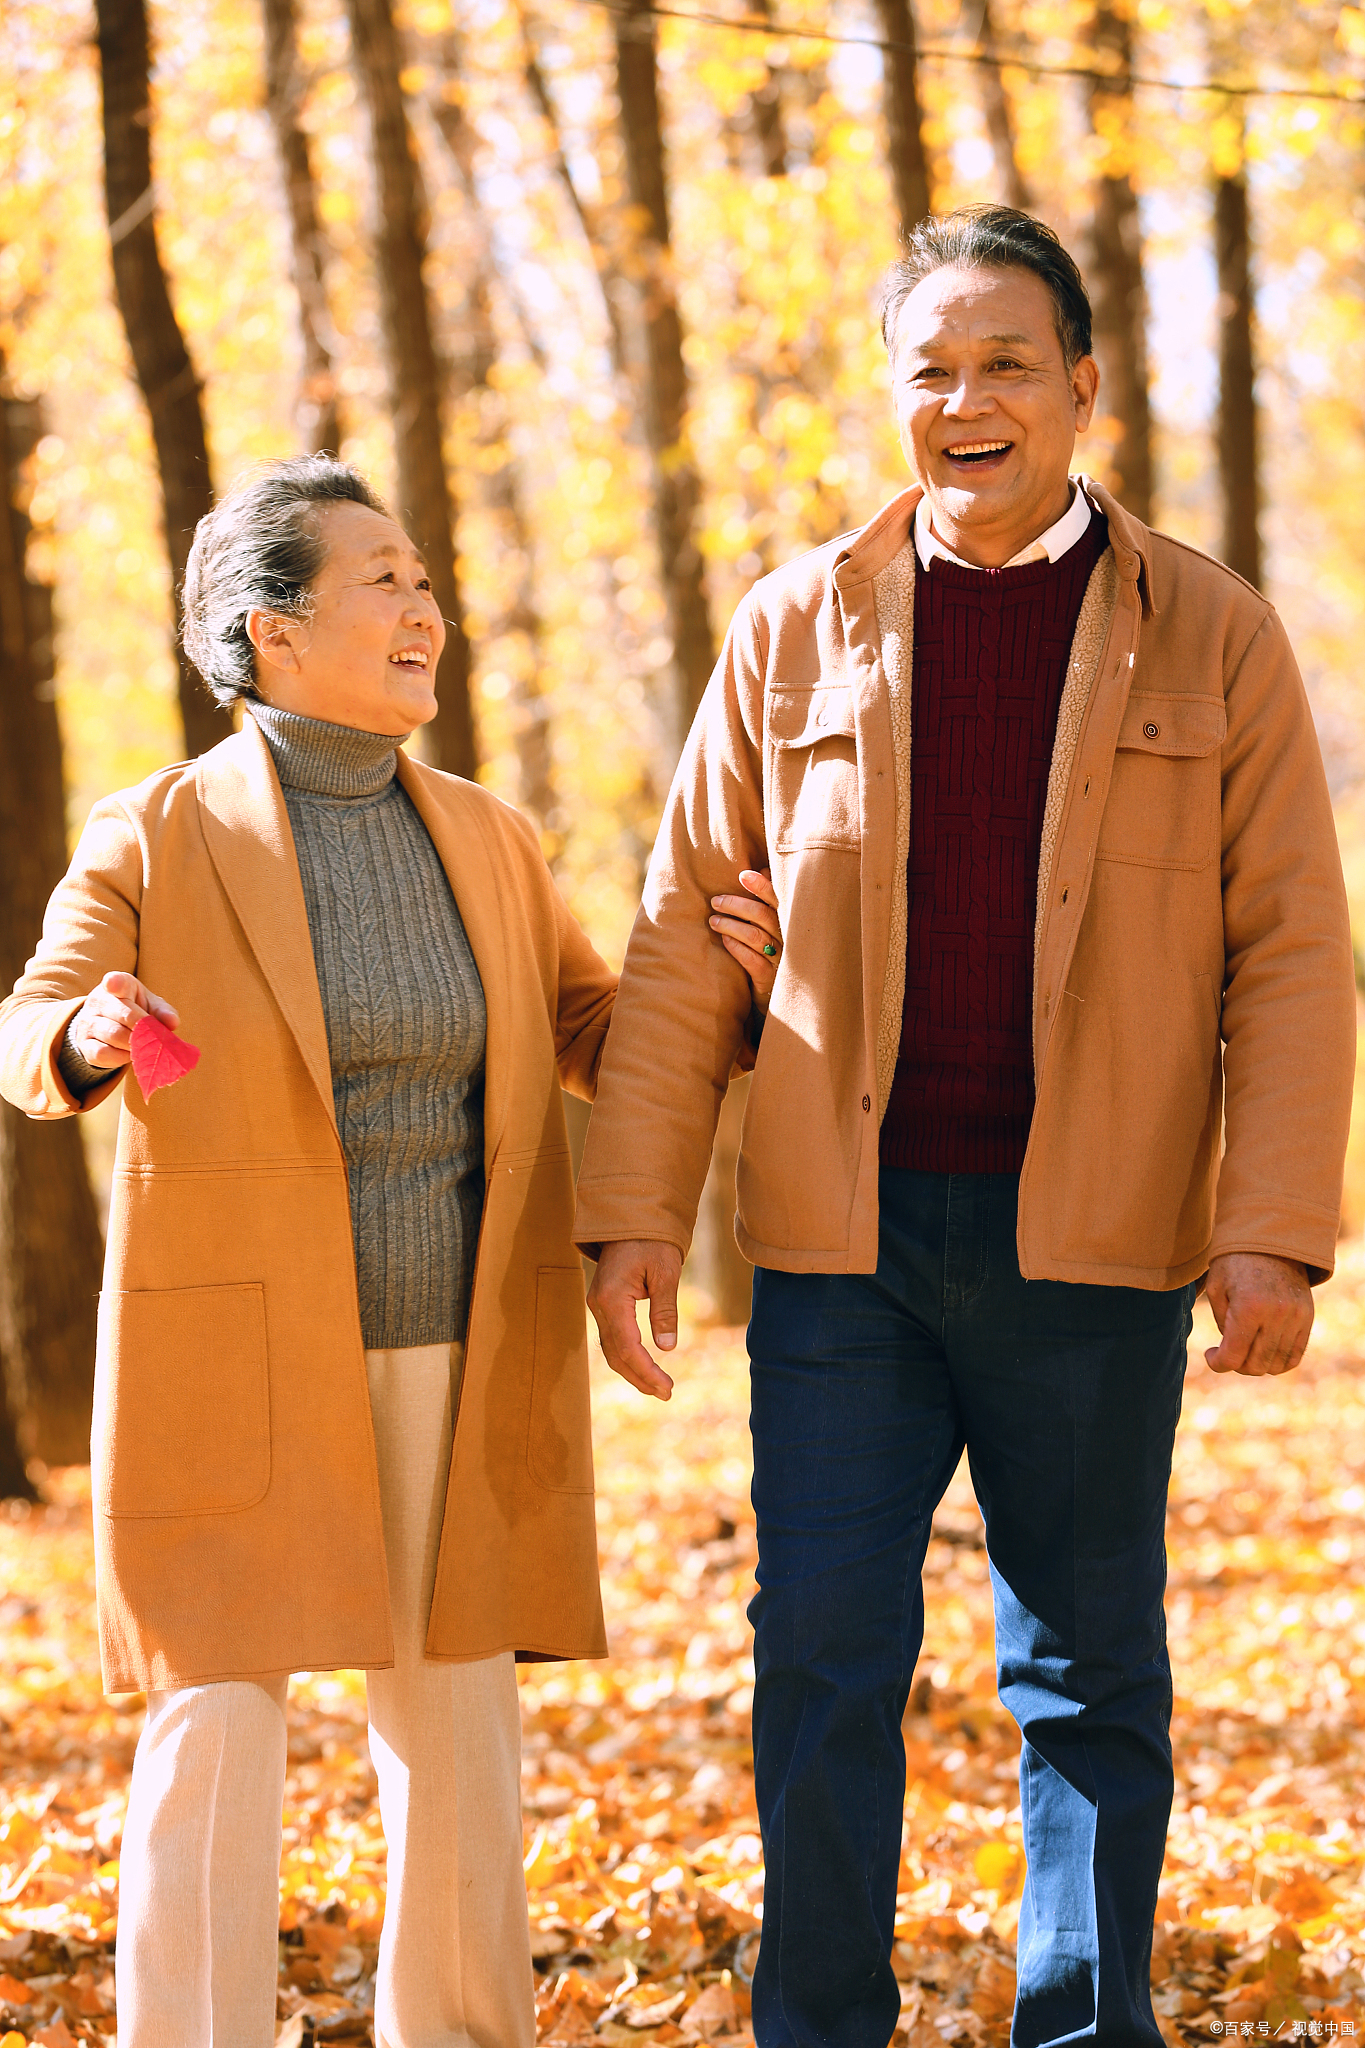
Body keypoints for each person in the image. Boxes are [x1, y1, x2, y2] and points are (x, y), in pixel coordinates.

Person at [573, 207, 1356, 2048]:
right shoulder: (791, 627)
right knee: (821, 1655)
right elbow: (688, 937)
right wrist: (629, 1216)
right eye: (928, 367)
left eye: (1007, 361)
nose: (966, 399)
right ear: (890, 397)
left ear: (1083, 387)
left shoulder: (1212, 633)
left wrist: (1271, 1228)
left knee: (1086, 1669)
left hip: (1092, 1241)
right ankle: (821, 2023)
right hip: (842, 1242)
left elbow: (1292, 956)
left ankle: (1085, 2022)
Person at [0, 455, 774, 2048]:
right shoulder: (153, 829)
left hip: (464, 1334)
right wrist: (86, 1030)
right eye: (384, 580)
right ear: (271, 629)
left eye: (425, 579)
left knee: (458, 1724)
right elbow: (24, 1029)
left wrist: (724, 990)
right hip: (239, 1353)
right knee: (214, 1718)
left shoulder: (485, 835)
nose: (426, 608)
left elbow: (590, 1032)